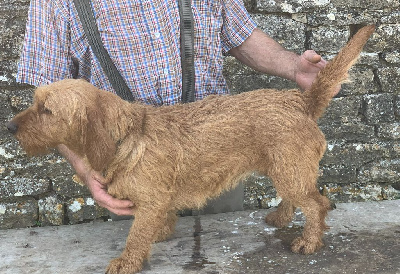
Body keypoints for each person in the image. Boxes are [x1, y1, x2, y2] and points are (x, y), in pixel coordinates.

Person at [17, 0, 328, 216]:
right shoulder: (53, 2)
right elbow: (50, 104)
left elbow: (240, 35)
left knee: (227, 270)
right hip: (130, 169)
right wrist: (86, 169)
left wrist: (294, 67)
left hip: (217, 156)